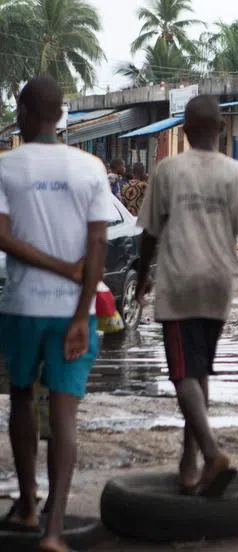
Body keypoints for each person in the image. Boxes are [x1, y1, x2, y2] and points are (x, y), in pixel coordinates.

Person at [134, 95, 238, 497]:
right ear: (222, 130)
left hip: (179, 282)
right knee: (197, 372)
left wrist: (143, 276)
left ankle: (212, 454)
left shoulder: (167, 170)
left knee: (182, 374)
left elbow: (150, 235)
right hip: (219, 284)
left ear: (183, 131)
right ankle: (189, 462)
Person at [0, 77, 116, 552]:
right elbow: (99, 248)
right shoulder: (91, 168)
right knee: (65, 414)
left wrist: (56, 268)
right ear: (62, 114)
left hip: (22, 306)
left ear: (26, 111)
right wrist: (78, 303)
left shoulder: (6, 167)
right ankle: (54, 531)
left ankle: (28, 506)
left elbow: (2, 238)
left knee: (22, 398)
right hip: (75, 311)